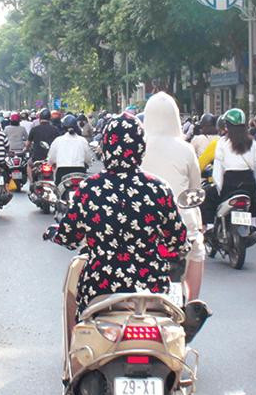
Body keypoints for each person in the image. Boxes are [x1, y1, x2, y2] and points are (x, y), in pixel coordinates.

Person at [46, 114, 190, 318]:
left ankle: (77, 351)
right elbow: (178, 240)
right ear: (141, 147)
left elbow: (70, 237)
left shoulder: (89, 188)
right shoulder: (159, 188)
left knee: (80, 325)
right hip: (151, 289)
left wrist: (55, 234)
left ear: (106, 147)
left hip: (100, 288)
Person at [141, 91, 205, 299]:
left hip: (145, 225)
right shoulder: (186, 149)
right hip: (182, 225)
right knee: (197, 251)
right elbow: (194, 190)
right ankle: (194, 303)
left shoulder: (138, 147)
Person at [211, 107, 256, 216]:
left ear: (228, 126)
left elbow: (218, 171)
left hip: (229, 184)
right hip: (249, 183)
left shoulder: (222, 142)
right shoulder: (252, 142)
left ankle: (211, 227)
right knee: (252, 213)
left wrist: (219, 191)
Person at [46, 116, 94, 183]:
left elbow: (51, 158)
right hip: (80, 172)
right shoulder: (82, 140)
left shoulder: (58, 140)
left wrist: (51, 163)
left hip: (62, 173)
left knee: (58, 192)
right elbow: (88, 159)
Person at [26, 108, 58, 182]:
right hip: (51, 158)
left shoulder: (34, 129)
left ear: (39, 118)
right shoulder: (55, 129)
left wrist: (26, 149)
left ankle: (31, 182)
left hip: (36, 158)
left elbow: (28, 143)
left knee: (29, 165)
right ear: (50, 118)